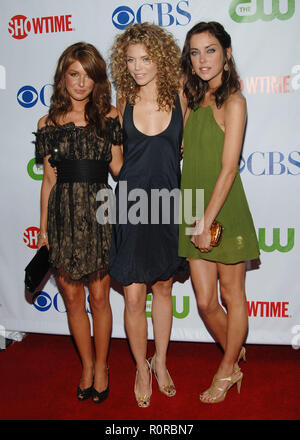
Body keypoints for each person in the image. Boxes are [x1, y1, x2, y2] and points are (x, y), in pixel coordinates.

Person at [34, 42, 123, 403]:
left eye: (88, 75)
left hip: (100, 213)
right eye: (74, 74)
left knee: (100, 298)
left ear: (97, 79)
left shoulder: (110, 116)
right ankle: (86, 365)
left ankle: (102, 366)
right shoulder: (47, 123)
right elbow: (49, 181)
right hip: (62, 216)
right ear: (63, 77)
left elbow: (119, 170)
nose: (81, 82)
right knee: (73, 300)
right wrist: (43, 228)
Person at [179, 22, 260, 403]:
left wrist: (205, 221)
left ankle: (227, 368)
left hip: (222, 209)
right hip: (193, 205)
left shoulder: (235, 102)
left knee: (232, 295)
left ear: (227, 54)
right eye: (195, 52)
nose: (202, 59)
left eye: (210, 50)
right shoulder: (191, 99)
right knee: (206, 302)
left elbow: (229, 169)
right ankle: (234, 347)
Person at [109, 23, 187, 407]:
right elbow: (117, 162)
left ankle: (162, 362)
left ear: (161, 57)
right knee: (134, 296)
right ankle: (141, 366)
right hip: (130, 207)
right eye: (130, 60)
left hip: (170, 206)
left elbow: (184, 152)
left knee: (163, 289)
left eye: (145, 58)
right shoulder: (122, 97)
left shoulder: (181, 97)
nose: (138, 67)